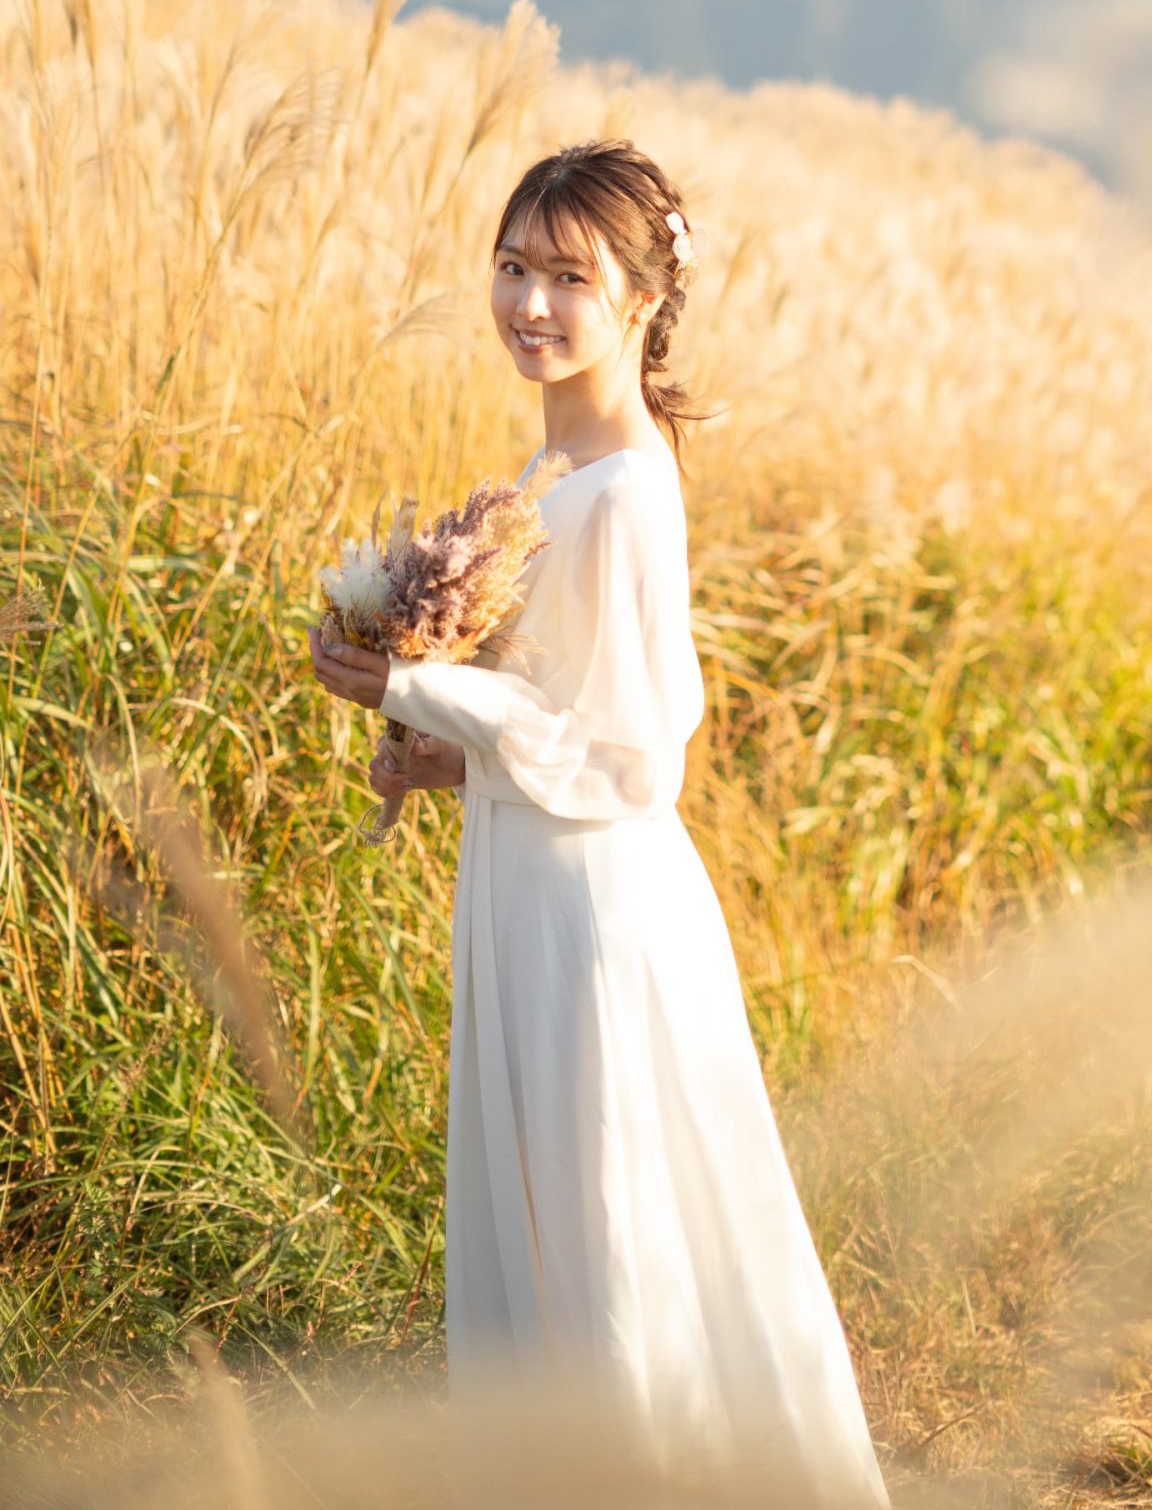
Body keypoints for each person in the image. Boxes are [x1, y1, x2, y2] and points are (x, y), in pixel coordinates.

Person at [309, 138, 891, 1507]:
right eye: (512, 266)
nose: (528, 302)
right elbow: (557, 714)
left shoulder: (628, 491)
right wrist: (438, 752)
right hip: (525, 879)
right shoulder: (551, 464)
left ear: (640, 298)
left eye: (568, 276)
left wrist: (421, 687)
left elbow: (634, 760)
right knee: (554, 1211)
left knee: (613, 1215)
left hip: (594, 913)